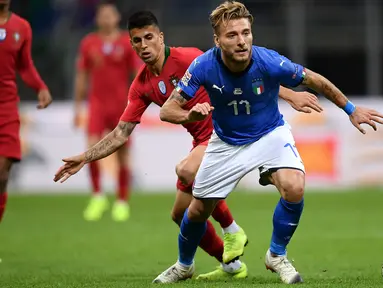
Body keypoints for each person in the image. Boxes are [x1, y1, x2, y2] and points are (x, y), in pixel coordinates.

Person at [54, 10, 323, 280]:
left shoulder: (188, 57)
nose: (144, 46)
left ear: (161, 37)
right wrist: (86, 157)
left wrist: (288, 94)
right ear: (132, 44)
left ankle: (231, 230)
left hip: (223, 134)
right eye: (137, 41)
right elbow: (121, 133)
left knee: (185, 170)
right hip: (200, 141)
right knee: (180, 213)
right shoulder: (141, 86)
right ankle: (230, 265)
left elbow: (241, 71)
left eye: (149, 38)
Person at [153, 1, 383, 284]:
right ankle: (184, 265)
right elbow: (167, 110)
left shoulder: (268, 60)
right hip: (226, 142)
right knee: (198, 211)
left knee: (295, 186)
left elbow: (314, 80)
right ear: (217, 40)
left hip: (269, 134)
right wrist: (189, 113)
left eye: (246, 33)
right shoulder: (203, 66)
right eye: (232, 35)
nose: (241, 41)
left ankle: (276, 255)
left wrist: (351, 109)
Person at [74, 1, 140, 222]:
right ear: (97, 19)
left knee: (123, 153)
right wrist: (77, 106)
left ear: (117, 18)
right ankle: (97, 196)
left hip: (122, 106)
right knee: (91, 150)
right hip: (97, 105)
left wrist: (139, 103)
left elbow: (137, 73)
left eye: (110, 15)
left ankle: (122, 201)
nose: (106, 19)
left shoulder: (127, 42)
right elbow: (82, 75)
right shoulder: (89, 43)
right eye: (103, 15)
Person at [0, 0, 52, 223]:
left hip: (7, 107)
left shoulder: (21, 27)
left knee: (2, 174)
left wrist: (40, 86)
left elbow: (24, 65)